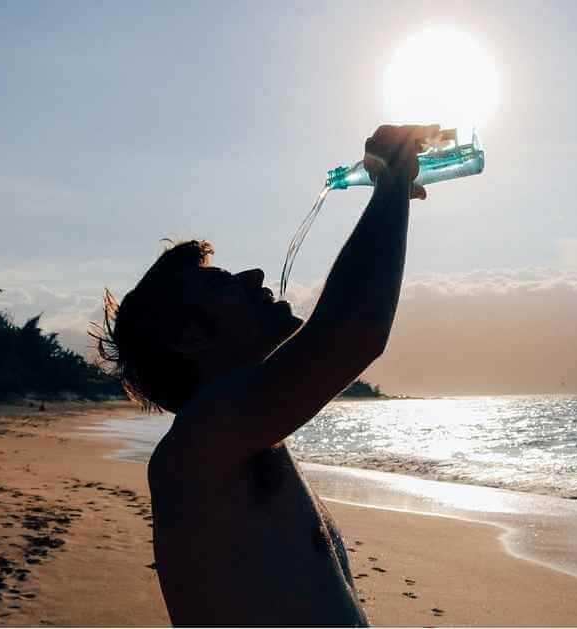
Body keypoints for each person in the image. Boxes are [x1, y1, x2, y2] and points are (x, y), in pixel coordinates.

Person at [95, 124, 438, 626]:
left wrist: (391, 190)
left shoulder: (242, 440)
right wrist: (389, 184)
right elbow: (351, 335)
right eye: (222, 283)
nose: (254, 276)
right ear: (189, 337)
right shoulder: (196, 445)